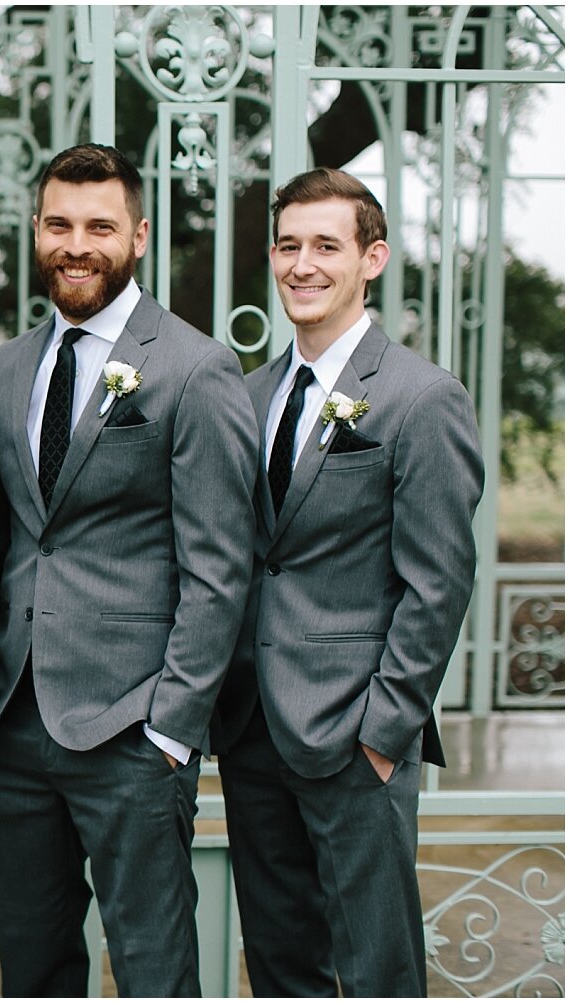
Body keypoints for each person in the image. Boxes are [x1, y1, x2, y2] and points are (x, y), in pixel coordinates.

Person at [0, 144, 259, 996]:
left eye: (99, 226)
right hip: (10, 720)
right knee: (31, 965)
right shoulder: (5, 368)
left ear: (137, 236)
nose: (76, 244)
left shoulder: (196, 367)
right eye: (59, 224)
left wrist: (172, 723)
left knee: (152, 965)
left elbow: (219, 564)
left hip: (133, 725)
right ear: (36, 231)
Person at [212, 167, 484, 996]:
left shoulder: (422, 397)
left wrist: (383, 728)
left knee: (376, 965)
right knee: (281, 960)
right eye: (289, 245)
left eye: (326, 246)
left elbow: (438, 579)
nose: (303, 264)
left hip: (357, 730)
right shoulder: (246, 393)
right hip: (253, 726)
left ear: (373, 258)